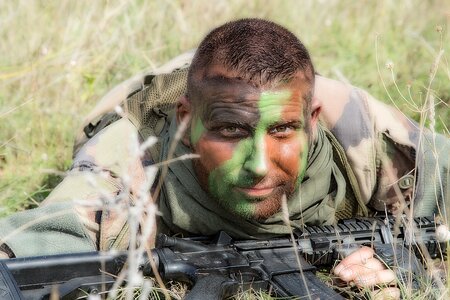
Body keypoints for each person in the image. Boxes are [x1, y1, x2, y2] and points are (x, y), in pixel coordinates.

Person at [0, 18, 448, 298]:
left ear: (310, 122)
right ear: (187, 122)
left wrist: (407, 261)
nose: (257, 163)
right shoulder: (129, 158)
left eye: (281, 132)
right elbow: (27, 250)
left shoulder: (363, 134)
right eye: (230, 132)